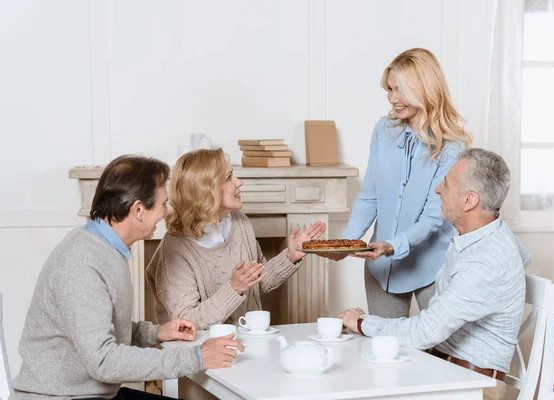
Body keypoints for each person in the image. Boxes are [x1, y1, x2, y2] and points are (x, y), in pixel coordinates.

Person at [10, 155, 243, 400]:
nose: (166, 212)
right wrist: (197, 357)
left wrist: (156, 333)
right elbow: (104, 360)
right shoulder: (81, 262)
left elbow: (98, 328)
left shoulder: (106, 249)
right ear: (139, 210)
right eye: (163, 204)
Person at [339, 148, 530, 400]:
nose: (438, 189)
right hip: (446, 366)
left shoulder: (484, 262)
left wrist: (363, 322)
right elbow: (524, 257)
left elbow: (423, 333)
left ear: (469, 200)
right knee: (361, 376)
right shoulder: (486, 234)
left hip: (471, 385)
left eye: (447, 184)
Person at [326, 48, 472, 318]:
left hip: (431, 266)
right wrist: (346, 242)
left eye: (400, 90)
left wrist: (394, 245)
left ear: (424, 89)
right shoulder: (384, 130)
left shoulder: (452, 146)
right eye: (389, 90)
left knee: (440, 353)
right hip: (382, 266)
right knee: (385, 349)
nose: (393, 99)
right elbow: (370, 195)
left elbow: (434, 215)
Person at [145, 148, 326, 330]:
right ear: (207, 190)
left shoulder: (239, 221)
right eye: (229, 177)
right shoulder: (175, 248)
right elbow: (185, 323)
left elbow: (257, 282)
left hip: (247, 337)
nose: (239, 182)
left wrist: (290, 256)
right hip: (200, 350)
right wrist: (234, 289)